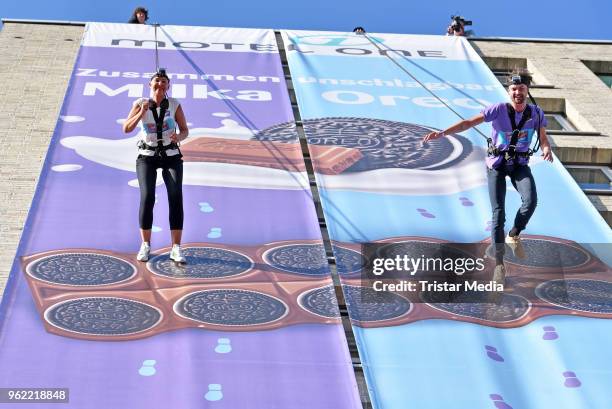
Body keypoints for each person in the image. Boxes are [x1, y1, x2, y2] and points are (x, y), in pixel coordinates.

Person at [423, 70, 553, 280]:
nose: (517, 92)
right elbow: (468, 123)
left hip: (519, 163)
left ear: (527, 91)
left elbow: (543, 137)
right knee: (498, 212)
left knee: (531, 201)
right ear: (508, 91)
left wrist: (546, 149)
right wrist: (443, 133)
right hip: (498, 165)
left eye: (521, 88)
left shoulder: (536, 113)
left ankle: (514, 235)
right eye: (513, 89)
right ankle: (499, 265)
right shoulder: (498, 109)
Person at [123, 69, 189, 263]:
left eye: (163, 81)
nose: (160, 84)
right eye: (156, 81)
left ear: (168, 86)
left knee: (175, 195)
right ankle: (145, 244)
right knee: (148, 196)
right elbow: (126, 128)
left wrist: (180, 136)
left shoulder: (174, 104)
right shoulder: (139, 103)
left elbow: (184, 130)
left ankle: (176, 248)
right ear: (149, 84)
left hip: (171, 155)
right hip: (147, 156)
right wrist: (142, 112)